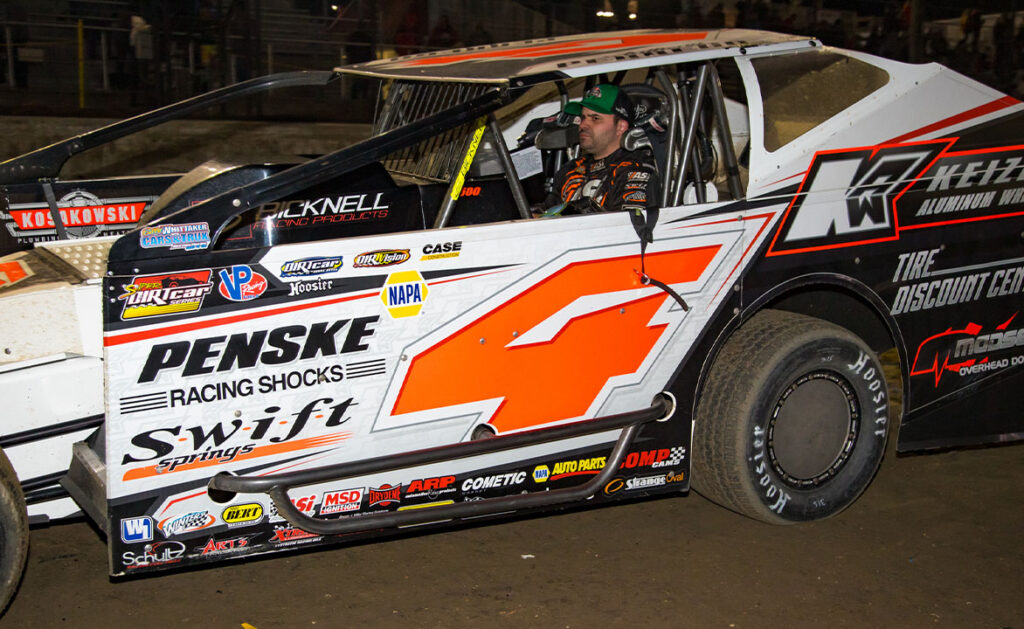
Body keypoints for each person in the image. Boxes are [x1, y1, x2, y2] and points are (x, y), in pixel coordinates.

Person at [543, 83, 660, 240]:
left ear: (620, 127)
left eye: (595, 118)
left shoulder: (635, 169)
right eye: (583, 117)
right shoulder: (570, 169)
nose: (583, 124)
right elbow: (543, 218)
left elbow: (625, 232)